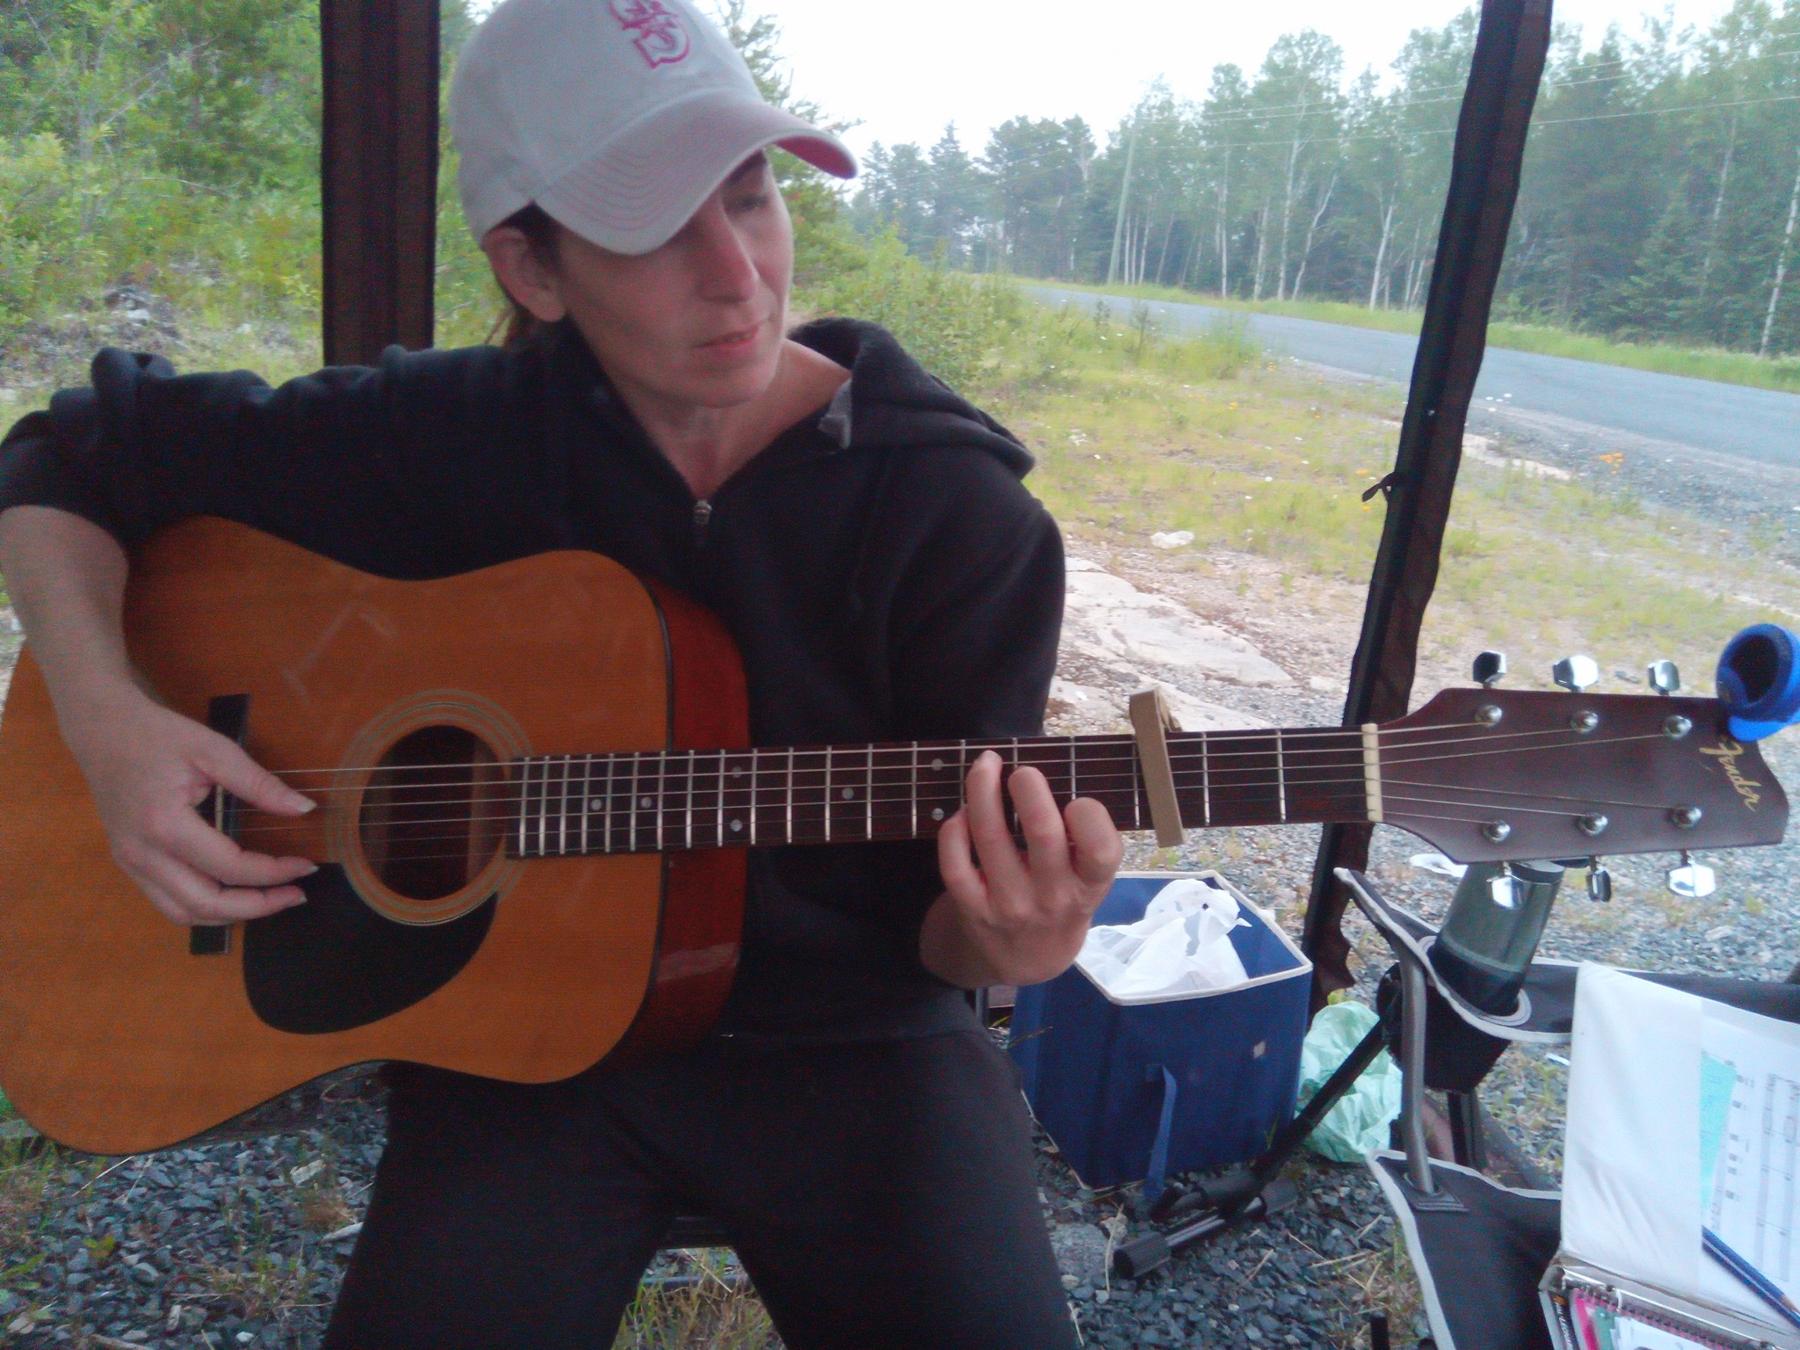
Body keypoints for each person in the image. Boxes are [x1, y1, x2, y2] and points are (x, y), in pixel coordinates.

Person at [0, 0, 1124, 1344]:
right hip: (529, 1044)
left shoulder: (960, 517)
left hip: (855, 1046)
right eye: (656, 230)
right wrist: (111, 723)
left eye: (753, 198)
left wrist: (1012, 937)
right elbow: (66, 456)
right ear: (533, 270)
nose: (739, 275)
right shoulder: (451, 433)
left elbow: (948, 927)